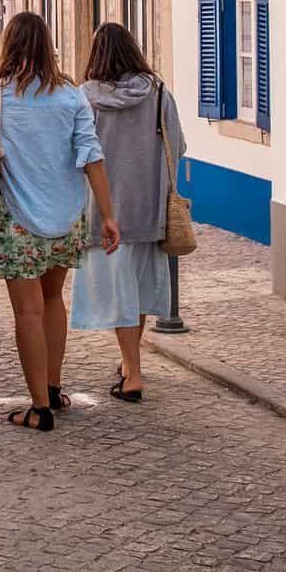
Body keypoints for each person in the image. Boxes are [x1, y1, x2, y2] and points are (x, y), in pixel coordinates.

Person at [0, 12, 119, 433]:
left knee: (27, 312)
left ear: (7, 45)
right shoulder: (70, 96)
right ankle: (52, 387)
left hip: (18, 222)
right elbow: (92, 155)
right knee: (53, 303)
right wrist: (109, 215)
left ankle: (38, 408)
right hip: (66, 221)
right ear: (48, 46)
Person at [71, 23, 186, 403]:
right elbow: (178, 146)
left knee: (120, 295)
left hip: (105, 215)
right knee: (134, 294)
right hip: (148, 209)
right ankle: (128, 363)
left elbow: (75, 154)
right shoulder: (158, 94)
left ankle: (133, 375)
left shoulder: (85, 98)